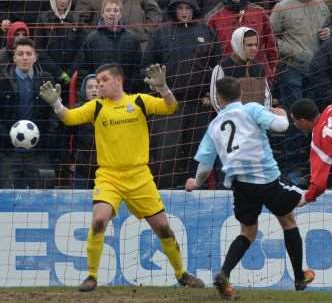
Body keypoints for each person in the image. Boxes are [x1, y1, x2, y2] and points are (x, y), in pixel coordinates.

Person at [39, 63, 205, 291]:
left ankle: (181, 273)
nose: (99, 85)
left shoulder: (138, 101)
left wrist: (164, 88)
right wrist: (56, 103)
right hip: (109, 176)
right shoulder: (95, 107)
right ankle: (91, 276)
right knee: (99, 220)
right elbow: (69, 118)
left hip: (140, 177)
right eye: (97, 82)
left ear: (118, 81)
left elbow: (171, 108)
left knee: (163, 228)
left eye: (104, 80)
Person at [185, 77, 315, 299]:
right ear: (240, 94)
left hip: (241, 185)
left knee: (248, 232)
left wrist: (195, 182)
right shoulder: (251, 109)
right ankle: (299, 277)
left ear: (219, 98)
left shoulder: (214, 125)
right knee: (288, 221)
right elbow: (282, 126)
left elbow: (205, 166)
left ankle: (224, 273)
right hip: (267, 180)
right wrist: (281, 113)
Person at [143, 0, 221, 188]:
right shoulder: (162, 32)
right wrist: (159, 91)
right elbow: (148, 64)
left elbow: (217, 66)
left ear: (194, 9)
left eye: (188, 8)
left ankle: (195, 189)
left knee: (197, 151)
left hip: (198, 104)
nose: (184, 12)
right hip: (169, 103)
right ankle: (165, 190)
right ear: (174, 10)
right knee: (166, 151)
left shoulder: (206, 31)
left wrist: (209, 94)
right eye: (180, 8)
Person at [0, 37, 59, 188]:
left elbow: (54, 113)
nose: (24, 57)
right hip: (9, 151)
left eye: (28, 53)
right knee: (7, 193)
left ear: (35, 57)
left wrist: (48, 139)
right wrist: (6, 138)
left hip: (39, 151)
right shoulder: (3, 80)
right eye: (20, 54)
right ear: (14, 57)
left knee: (44, 192)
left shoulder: (46, 79)